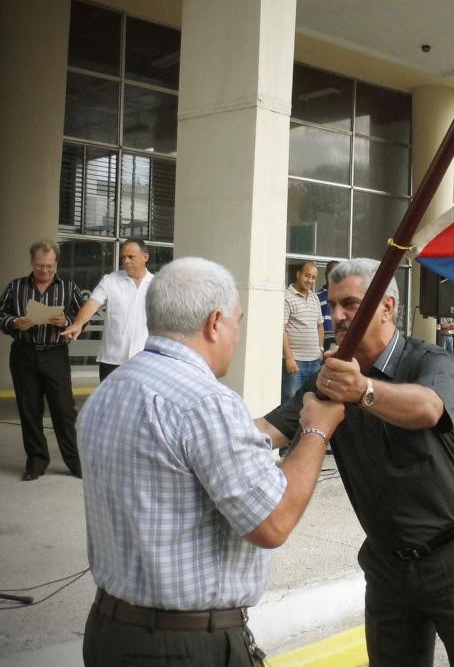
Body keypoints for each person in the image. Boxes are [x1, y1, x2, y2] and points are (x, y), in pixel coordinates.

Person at [78, 257, 346, 667]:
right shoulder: (207, 402)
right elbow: (272, 522)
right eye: (237, 322)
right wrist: (316, 431)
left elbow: (189, 456)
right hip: (184, 646)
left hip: (108, 632)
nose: (237, 336)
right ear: (215, 322)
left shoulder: (112, 389)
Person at [257, 258, 454, 667]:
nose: (337, 315)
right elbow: (266, 430)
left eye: (351, 303)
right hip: (388, 567)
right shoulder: (330, 381)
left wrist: (363, 391)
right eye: (333, 304)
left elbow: (430, 408)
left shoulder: (428, 361)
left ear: (387, 307)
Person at [0, 239, 83, 481]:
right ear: (31, 262)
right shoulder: (16, 287)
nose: (44, 271)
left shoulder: (69, 287)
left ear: (57, 262)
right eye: (39, 266)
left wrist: (67, 321)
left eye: (49, 266)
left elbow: (82, 316)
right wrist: (14, 322)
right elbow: (1, 313)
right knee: (29, 409)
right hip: (24, 354)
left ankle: (74, 461)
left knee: (64, 410)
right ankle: (36, 461)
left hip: (55, 353)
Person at [61, 238, 154, 380]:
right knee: (110, 402)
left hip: (145, 361)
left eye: (131, 257)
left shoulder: (158, 284)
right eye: (123, 257)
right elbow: (92, 303)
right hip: (112, 360)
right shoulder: (110, 280)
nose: (126, 261)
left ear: (145, 257)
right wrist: (78, 323)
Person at [283, 261, 324, 402]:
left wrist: (321, 349)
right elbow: (282, 330)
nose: (310, 280)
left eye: (313, 277)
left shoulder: (315, 298)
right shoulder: (286, 298)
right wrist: (289, 358)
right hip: (296, 363)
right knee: (291, 401)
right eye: (307, 275)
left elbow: (319, 326)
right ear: (298, 274)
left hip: (315, 362)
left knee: (313, 402)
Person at [317, 259, 340, 351]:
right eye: (329, 270)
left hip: (338, 340)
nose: (331, 274)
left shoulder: (345, 296)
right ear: (325, 273)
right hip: (320, 342)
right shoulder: (316, 296)